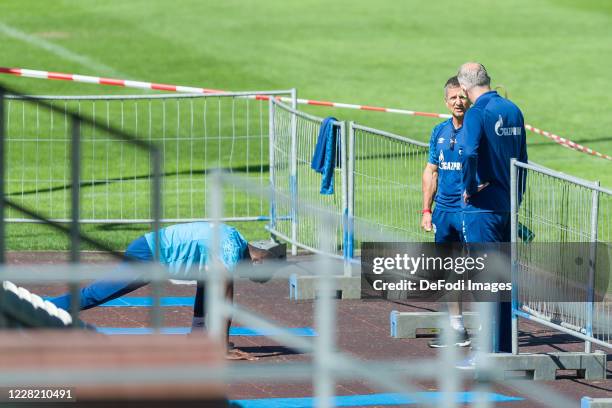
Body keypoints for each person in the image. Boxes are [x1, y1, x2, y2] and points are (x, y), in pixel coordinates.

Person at [49, 222, 286, 359]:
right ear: (258, 262)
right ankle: (41, 305)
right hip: (148, 254)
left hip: (152, 247)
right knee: (94, 295)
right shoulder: (231, 251)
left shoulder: (236, 241)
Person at [456, 62, 528, 354]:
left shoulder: (476, 113)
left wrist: (469, 187)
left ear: (464, 87)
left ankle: (487, 350)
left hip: (483, 209)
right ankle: (505, 346)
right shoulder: (512, 109)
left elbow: (471, 153)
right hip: (507, 205)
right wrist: (517, 198)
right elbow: (523, 158)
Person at [421, 76, 471, 348]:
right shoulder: (439, 131)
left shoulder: (477, 131)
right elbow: (431, 171)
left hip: (470, 212)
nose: (458, 102)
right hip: (443, 212)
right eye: (453, 97)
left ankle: (493, 328)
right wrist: (426, 210)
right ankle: (456, 327)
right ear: (445, 101)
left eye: (462, 97)